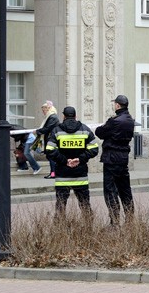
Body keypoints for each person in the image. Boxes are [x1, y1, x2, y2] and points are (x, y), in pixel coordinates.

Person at [45, 106, 99, 217]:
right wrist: (80, 159)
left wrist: (65, 161)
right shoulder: (84, 129)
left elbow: (49, 150)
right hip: (80, 175)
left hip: (62, 175)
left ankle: (60, 232)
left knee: (60, 206)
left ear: (63, 116)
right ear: (75, 116)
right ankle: (89, 230)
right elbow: (94, 149)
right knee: (85, 206)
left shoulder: (57, 131)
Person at [95, 94, 136, 227]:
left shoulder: (114, 121)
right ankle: (130, 219)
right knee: (125, 190)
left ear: (118, 105)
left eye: (115, 104)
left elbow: (99, 132)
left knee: (110, 190)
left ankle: (115, 221)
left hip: (111, 158)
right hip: (123, 158)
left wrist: (107, 123)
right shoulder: (130, 120)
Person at [36, 101, 60, 179]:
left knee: (51, 157)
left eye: (44, 110)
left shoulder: (52, 117)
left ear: (48, 109)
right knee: (51, 157)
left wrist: (38, 131)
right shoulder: (51, 116)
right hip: (51, 139)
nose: (43, 112)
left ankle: (53, 173)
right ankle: (54, 173)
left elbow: (47, 128)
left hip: (51, 140)